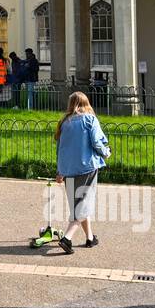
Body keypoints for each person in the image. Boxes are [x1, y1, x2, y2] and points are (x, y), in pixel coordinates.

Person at [55, 92, 111, 254]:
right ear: (86, 104)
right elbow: (96, 142)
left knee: (79, 204)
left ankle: (90, 237)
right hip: (87, 167)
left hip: (67, 168)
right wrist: (106, 152)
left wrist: (59, 171)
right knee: (82, 204)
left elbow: (59, 149)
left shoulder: (64, 122)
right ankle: (67, 238)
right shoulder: (89, 119)